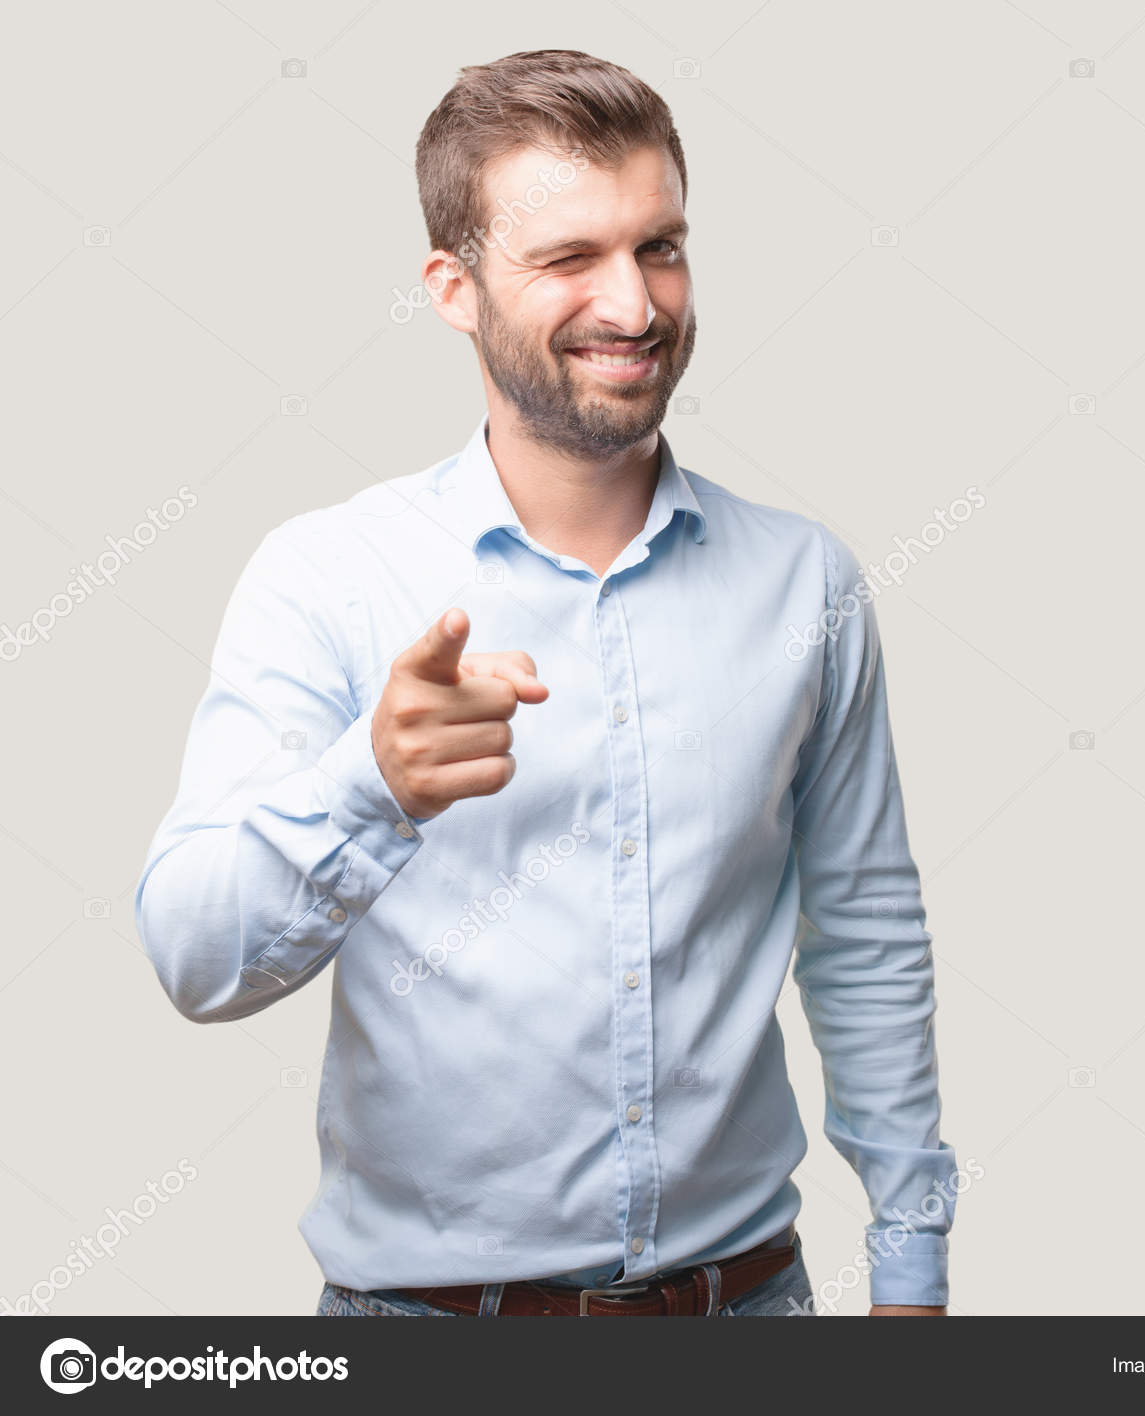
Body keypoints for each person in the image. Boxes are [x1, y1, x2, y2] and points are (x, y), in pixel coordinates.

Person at [137, 48, 955, 1317]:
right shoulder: (328, 578)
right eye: (568, 260)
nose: (633, 305)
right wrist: (374, 783)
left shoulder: (808, 586)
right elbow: (196, 958)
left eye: (661, 247)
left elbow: (862, 933)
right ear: (453, 290)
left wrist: (911, 1269)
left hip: (750, 1308)